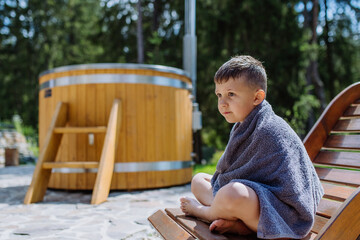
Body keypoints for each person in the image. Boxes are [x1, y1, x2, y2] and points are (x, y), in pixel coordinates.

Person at [180, 55, 324, 239]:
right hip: (256, 207)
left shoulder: (269, 129)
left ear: (257, 97)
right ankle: (242, 225)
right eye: (219, 95)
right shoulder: (243, 126)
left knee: (233, 193)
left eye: (231, 94)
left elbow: (287, 186)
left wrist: (223, 195)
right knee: (198, 180)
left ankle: (206, 212)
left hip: (285, 215)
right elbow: (238, 172)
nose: (222, 103)